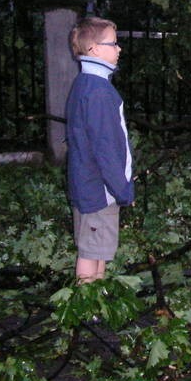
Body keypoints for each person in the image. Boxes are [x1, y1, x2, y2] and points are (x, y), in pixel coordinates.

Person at [65, 16, 134, 283]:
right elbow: (106, 149)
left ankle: (98, 300)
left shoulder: (87, 85)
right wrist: (123, 189)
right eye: (113, 43)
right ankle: (85, 305)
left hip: (93, 186)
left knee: (100, 249)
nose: (119, 49)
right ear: (93, 49)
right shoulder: (98, 92)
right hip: (99, 189)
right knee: (91, 252)